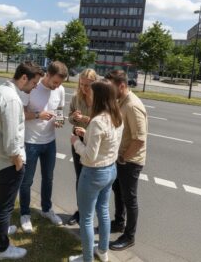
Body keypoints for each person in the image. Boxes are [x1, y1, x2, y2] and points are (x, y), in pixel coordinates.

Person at [0, 62, 44, 260]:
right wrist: (18, 162)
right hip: (7, 162)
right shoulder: (12, 99)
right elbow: (11, 140)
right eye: (34, 83)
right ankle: (2, 248)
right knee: (5, 206)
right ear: (24, 78)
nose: (35, 87)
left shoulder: (0, 90)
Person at [69, 79, 124, 262]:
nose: (87, 94)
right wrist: (87, 136)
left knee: (86, 218)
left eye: (90, 93)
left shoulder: (97, 121)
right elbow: (107, 144)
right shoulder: (116, 116)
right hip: (110, 170)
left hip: (94, 173)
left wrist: (76, 142)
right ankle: (103, 251)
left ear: (99, 97)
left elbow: (88, 157)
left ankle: (86, 259)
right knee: (104, 211)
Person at [19, 61, 68, 233]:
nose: (57, 86)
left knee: (48, 178)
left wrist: (60, 120)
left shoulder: (60, 90)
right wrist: (39, 115)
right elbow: (21, 114)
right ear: (47, 74)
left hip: (50, 142)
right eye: (55, 82)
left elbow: (60, 108)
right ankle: (24, 214)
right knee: (27, 181)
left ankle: (47, 209)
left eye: (60, 83)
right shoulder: (33, 87)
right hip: (30, 142)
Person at [105, 70, 148, 251]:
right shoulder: (120, 100)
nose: (109, 91)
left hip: (130, 161)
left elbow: (139, 139)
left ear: (121, 85)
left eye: (110, 87)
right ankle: (118, 223)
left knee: (130, 199)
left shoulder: (132, 105)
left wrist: (124, 158)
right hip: (120, 158)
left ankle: (129, 236)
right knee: (119, 192)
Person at [67, 68, 98, 226]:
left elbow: (104, 122)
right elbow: (69, 118)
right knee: (80, 177)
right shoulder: (75, 97)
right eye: (82, 84)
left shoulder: (100, 99)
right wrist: (73, 117)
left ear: (95, 83)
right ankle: (80, 211)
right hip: (78, 139)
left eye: (88, 85)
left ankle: (90, 212)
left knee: (93, 178)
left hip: (93, 141)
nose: (84, 88)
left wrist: (85, 119)